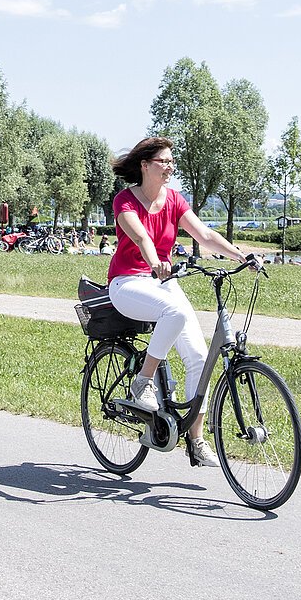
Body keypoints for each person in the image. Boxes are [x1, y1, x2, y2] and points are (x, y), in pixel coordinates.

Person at [105, 136, 256, 467]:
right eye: (164, 162)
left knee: (200, 357)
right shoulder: (124, 201)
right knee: (173, 311)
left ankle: (196, 440)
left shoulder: (174, 200)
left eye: (172, 162)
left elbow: (204, 235)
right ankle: (143, 380)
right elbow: (141, 236)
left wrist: (240, 255)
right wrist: (154, 261)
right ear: (145, 165)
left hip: (163, 282)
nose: (170, 167)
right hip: (127, 282)